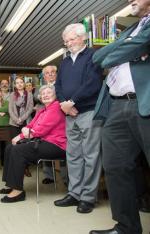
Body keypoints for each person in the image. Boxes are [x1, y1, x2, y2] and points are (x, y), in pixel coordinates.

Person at [90, 0, 150, 233]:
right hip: (115, 106)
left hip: (144, 102)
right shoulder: (130, 29)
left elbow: (140, 44)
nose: (129, 1)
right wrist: (128, 45)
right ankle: (127, 227)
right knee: (115, 166)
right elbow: (98, 58)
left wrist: (126, 48)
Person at [54, 23, 103, 214]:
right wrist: (64, 104)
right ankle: (74, 193)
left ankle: (88, 197)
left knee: (90, 156)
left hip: (89, 112)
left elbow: (93, 83)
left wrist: (72, 101)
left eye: (72, 39)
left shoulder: (93, 56)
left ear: (83, 37)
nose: (68, 43)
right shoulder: (65, 62)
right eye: (66, 41)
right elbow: (58, 86)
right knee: (73, 156)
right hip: (69, 115)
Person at [0, 85, 66, 203]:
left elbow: (41, 130)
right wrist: (26, 131)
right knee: (10, 147)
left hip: (56, 145)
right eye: (43, 93)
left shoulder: (56, 107)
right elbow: (30, 126)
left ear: (55, 95)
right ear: (40, 97)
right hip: (42, 141)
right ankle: (10, 185)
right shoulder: (42, 110)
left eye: (48, 93)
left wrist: (21, 135)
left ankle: (18, 191)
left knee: (18, 150)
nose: (45, 95)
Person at [38, 65, 68, 186]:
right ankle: (49, 176)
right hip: (46, 121)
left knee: (62, 149)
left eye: (52, 72)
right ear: (44, 76)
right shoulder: (39, 88)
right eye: (47, 73)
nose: (50, 74)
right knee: (44, 143)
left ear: (56, 74)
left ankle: (66, 179)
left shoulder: (62, 85)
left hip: (60, 121)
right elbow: (37, 98)